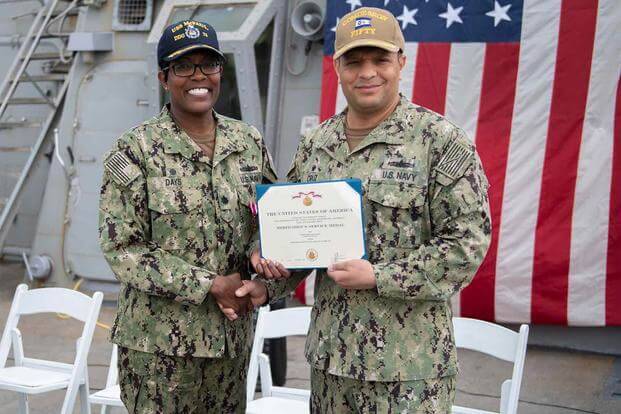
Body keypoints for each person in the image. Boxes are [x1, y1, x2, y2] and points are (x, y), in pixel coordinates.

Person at [234, 7, 491, 413]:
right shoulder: (317, 144)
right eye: (354, 61)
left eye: (380, 59)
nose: (367, 72)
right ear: (337, 67)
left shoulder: (440, 142)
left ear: (401, 62)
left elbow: (466, 246)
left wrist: (379, 276)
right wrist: (269, 281)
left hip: (408, 370)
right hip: (331, 364)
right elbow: (299, 240)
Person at [98, 20, 276, 413]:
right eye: (183, 66)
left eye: (208, 65)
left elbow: (267, 219)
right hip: (158, 349)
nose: (198, 77)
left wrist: (259, 250)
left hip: (230, 341)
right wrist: (209, 283)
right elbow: (121, 249)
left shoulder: (248, 143)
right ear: (164, 77)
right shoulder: (135, 150)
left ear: (220, 72)